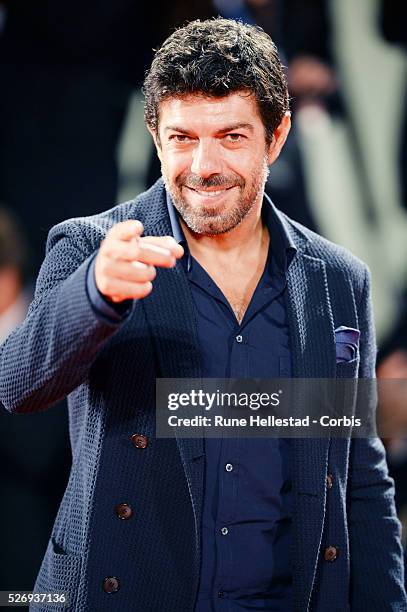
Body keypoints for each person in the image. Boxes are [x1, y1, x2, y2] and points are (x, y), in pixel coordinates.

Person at [0, 18, 405, 612]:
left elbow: (361, 482)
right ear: (156, 138)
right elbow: (17, 382)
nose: (203, 166)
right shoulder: (93, 247)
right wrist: (92, 295)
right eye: (183, 138)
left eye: (231, 137)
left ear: (276, 136)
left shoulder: (337, 280)